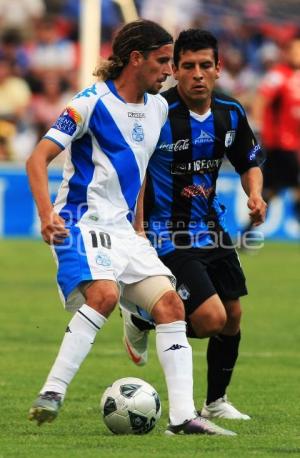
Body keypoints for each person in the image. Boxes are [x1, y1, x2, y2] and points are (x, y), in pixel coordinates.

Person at [26, 20, 235, 436]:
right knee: (104, 294)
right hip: (81, 224)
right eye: (162, 61)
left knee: (171, 306)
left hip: (124, 232)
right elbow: (37, 159)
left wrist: (138, 228)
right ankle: (52, 391)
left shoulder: (157, 108)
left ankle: (182, 418)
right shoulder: (88, 104)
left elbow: (136, 175)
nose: (169, 71)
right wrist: (47, 214)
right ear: (136, 59)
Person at [121, 29, 267, 420]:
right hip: (167, 232)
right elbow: (136, 171)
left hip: (210, 226)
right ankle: (144, 314)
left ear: (219, 69)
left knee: (233, 316)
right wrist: (136, 228)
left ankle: (216, 402)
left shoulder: (230, 113)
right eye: (188, 66)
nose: (197, 74)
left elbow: (249, 162)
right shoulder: (156, 112)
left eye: (205, 65)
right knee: (210, 319)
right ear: (174, 70)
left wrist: (255, 194)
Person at [251, 35, 300, 223]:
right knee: (294, 186)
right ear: (287, 53)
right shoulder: (278, 75)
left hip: (293, 145)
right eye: (295, 50)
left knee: (271, 190)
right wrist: (256, 127)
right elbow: (260, 100)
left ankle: (247, 233)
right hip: (281, 143)